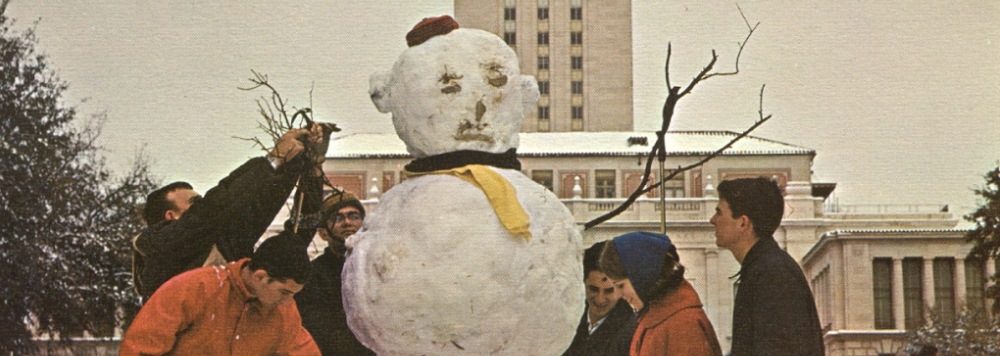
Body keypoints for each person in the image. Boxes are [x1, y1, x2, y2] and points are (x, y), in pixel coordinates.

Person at [132, 124, 330, 300]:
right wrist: (274, 159)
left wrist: (307, 167)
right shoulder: (159, 249)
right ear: (171, 216)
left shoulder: (226, 246)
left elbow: (292, 237)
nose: (203, 204)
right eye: (196, 203)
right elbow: (216, 207)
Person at [120, 233, 320, 355]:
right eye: (284, 292)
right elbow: (141, 347)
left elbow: (301, 351)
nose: (287, 301)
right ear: (260, 277)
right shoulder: (194, 288)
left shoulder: (284, 311)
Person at [711, 177, 824, 355]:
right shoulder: (764, 269)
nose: (712, 220)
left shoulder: (773, 274)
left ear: (743, 223)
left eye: (719, 212)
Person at [599, 231, 723, 356]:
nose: (618, 295)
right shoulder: (653, 318)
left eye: (620, 285)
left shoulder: (683, 325)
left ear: (642, 276)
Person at [294, 191, 374, 355]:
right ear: (323, 233)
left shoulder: (382, 268)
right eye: (338, 218)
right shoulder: (313, 276)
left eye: (354, 216)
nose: (347, 223)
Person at [563, 241, 636, 356]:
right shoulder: (567, 315)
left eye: (609, 291)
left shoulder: (631, 330)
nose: (599, 299)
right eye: (593, 289)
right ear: (582, 282)